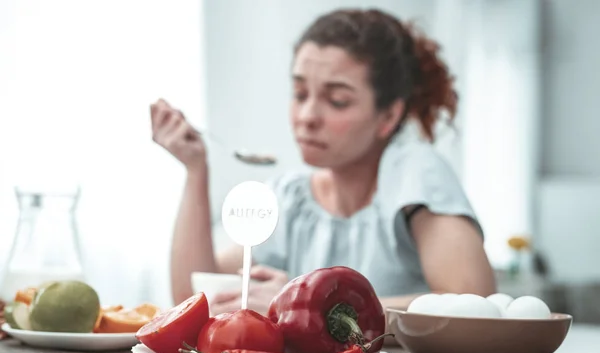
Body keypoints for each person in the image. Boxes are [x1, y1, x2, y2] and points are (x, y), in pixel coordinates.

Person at [150, 8, 496, 316]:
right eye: (300, 94)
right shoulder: (293, 198)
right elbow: (195, 299)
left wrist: (307, 303)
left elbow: (471, 303)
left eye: (337, 100)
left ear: (389, 115)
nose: (307, 116)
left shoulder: (416, 173)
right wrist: (195, 169)